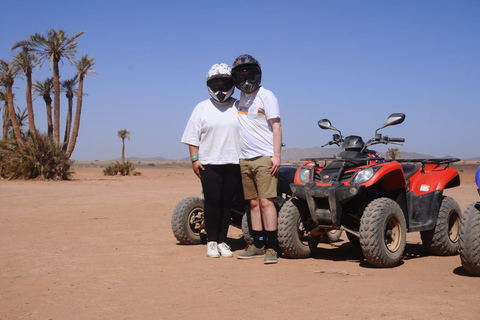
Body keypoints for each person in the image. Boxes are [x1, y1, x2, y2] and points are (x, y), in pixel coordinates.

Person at [181, 63, 241, 258]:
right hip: (209, 164)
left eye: (225, 82)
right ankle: (212, 241)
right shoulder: (202, 108)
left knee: (226, 204)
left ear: (232, 83)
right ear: (209, 84)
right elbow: (192, 137)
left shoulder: (239, 106)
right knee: (212, 203)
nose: (220, 87)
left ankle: (223, 241)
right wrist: (194, 160)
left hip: (234, 163)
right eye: (216, 83)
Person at [231, 54, 282, 264]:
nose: (245, 79)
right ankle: (258, 244)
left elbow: (277, 125)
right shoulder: (240, 99)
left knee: (266, 202)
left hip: (264, 157)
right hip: (245, 158)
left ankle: (272, 247)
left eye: (248, 73)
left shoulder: (266, 95)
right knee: (252, 203)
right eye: (241, 74)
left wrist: (276, 155)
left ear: (256, 74)